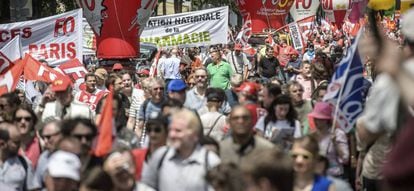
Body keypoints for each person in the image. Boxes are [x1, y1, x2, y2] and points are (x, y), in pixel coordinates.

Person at [142, 108, 221, 190]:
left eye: (178, 131)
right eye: (171, 130)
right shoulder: (160, 156)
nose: (172, 135)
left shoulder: (210, 162)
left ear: (194, 134)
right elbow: (146, 187)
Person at [308, 102, 349, 178]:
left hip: (335, 176)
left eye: (320, 119)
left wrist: (335, 143)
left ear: (326, 120)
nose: (316, 121)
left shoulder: (338, 134)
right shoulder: (312, 135)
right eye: (315, 118)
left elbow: (345, 159)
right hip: (317, 176)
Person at [0, 122, 39, 191]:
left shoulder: (24, 163)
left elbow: (32, 188)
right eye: (16, 143)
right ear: (2, 144)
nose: (20, 146)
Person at [132, 115, 169, 180]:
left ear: (166, 131)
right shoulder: (136, 156)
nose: (152, 134)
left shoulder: (172, 158)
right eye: (149, 130)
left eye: (157, 130)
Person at [34, 119, 62, 190]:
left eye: (49, 137)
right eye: (43, 138)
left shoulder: (72, 156)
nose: (45, 141)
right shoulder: (44, 157)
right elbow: (37, 185)